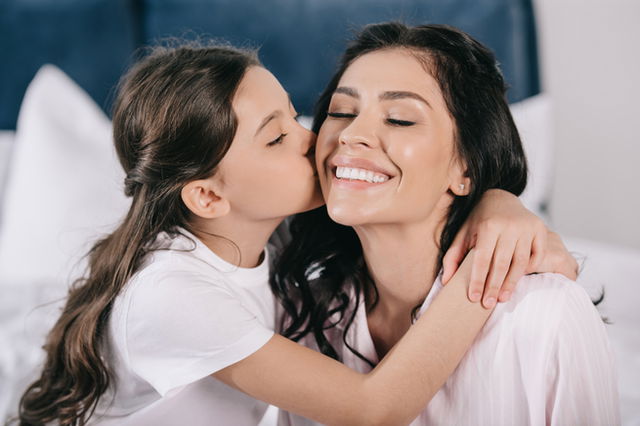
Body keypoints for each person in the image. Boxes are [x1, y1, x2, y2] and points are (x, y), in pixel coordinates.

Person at [17, 42, 577, 426]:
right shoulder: (172, 295)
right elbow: (372, 410)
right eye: (275, 138)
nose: (312, 140)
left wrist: (498, 203)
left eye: (294, 116)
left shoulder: (269, 241)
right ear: (209, 196)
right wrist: (486, 267)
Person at [275, 22, 620, 425]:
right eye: (341, 112)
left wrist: (500, 196)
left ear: (467, 166)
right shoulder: (304, 312)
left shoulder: (544, 314)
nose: (351, 135)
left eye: (400, 119)